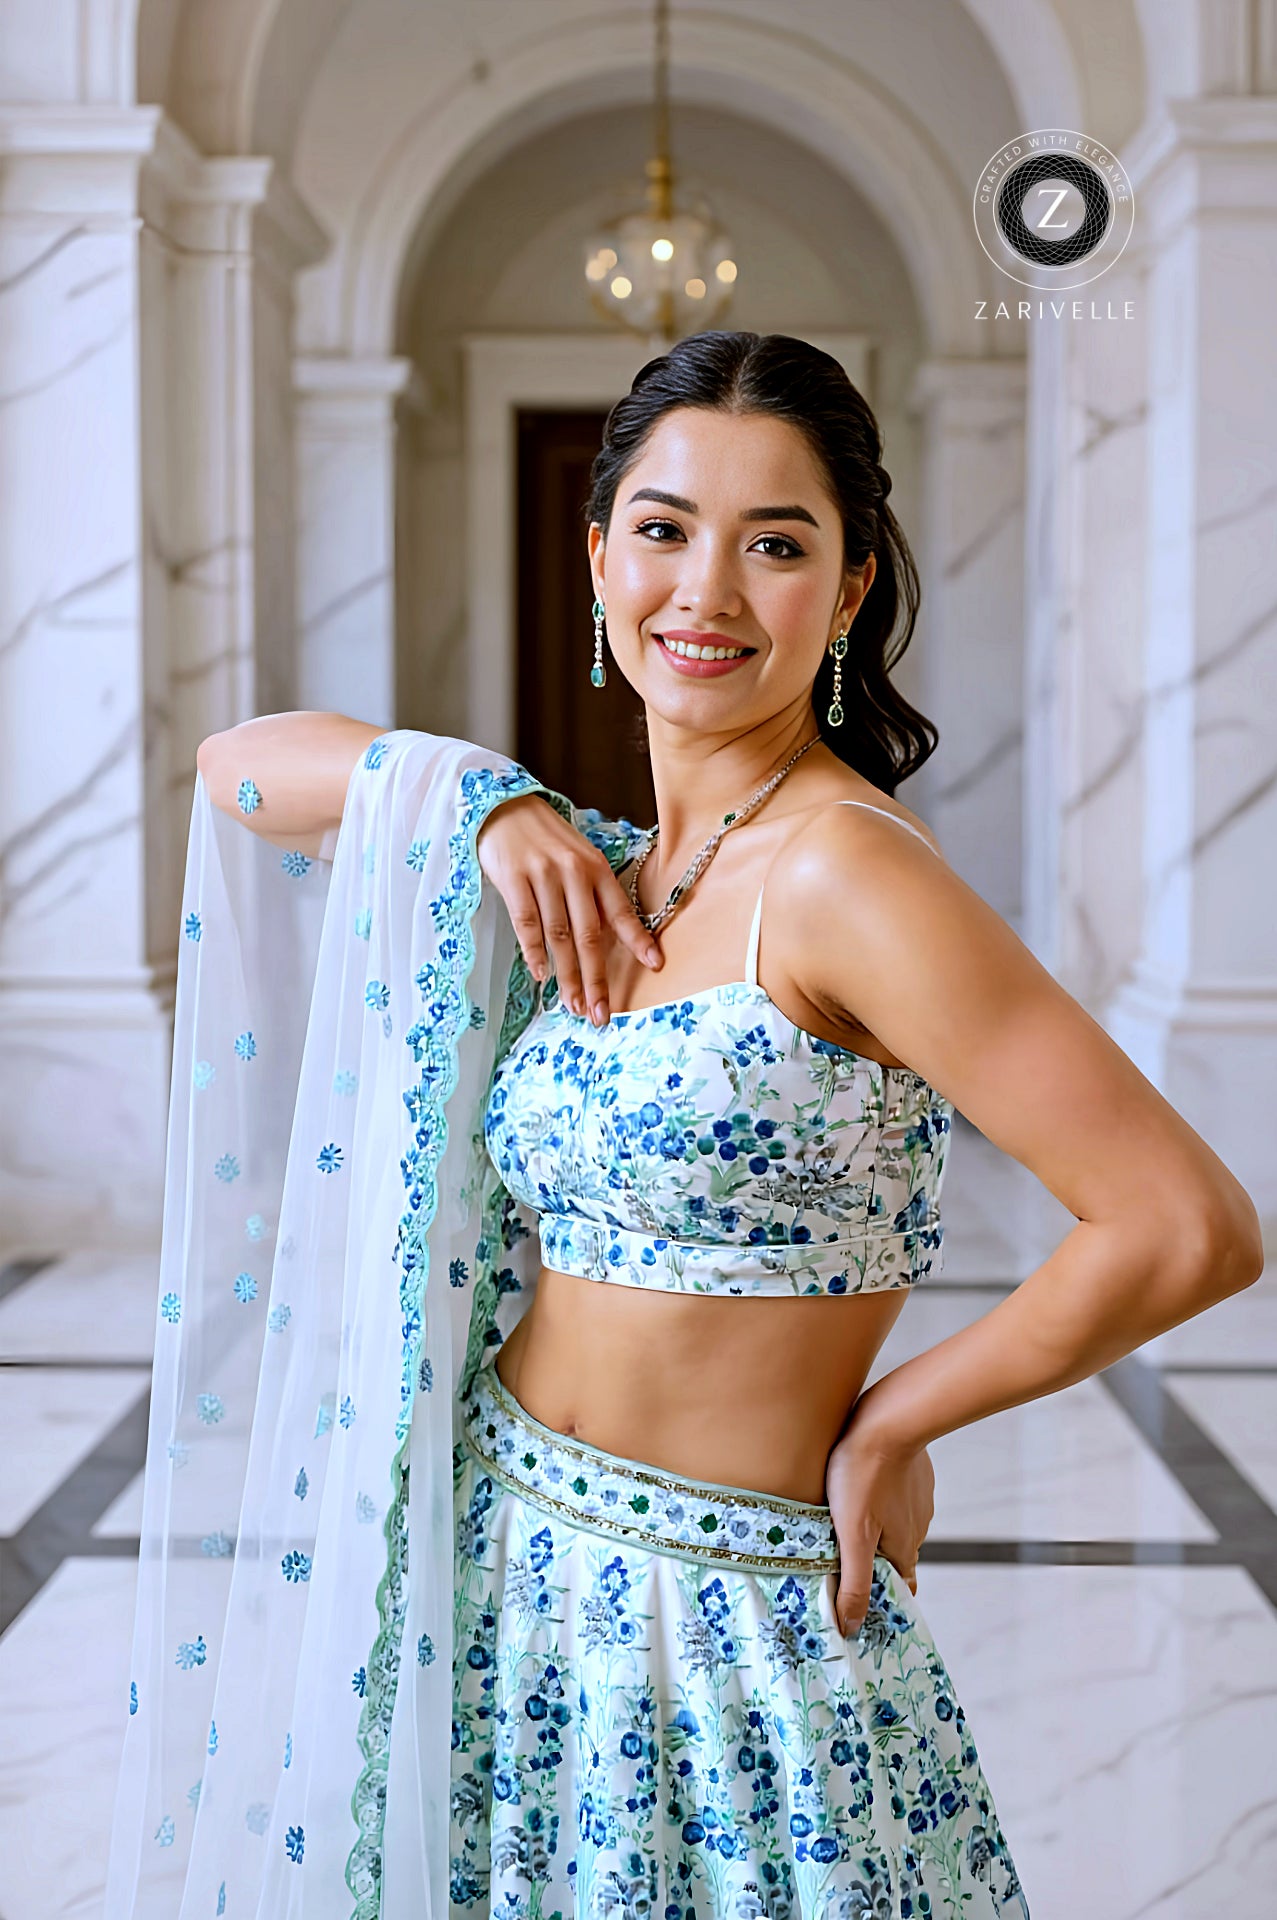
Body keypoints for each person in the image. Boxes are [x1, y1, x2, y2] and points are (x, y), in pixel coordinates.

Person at [105, 331, 1263, 1920]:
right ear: (597, 563)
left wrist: (897, 1418)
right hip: (498, 1556)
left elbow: (1182, 1224)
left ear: (848, 592)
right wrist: (478, 794)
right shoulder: (590, 869)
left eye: (775, 544)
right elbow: (236, 773)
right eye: (661, 530)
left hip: (720, 1616)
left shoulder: (846, 877)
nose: (705, 591)